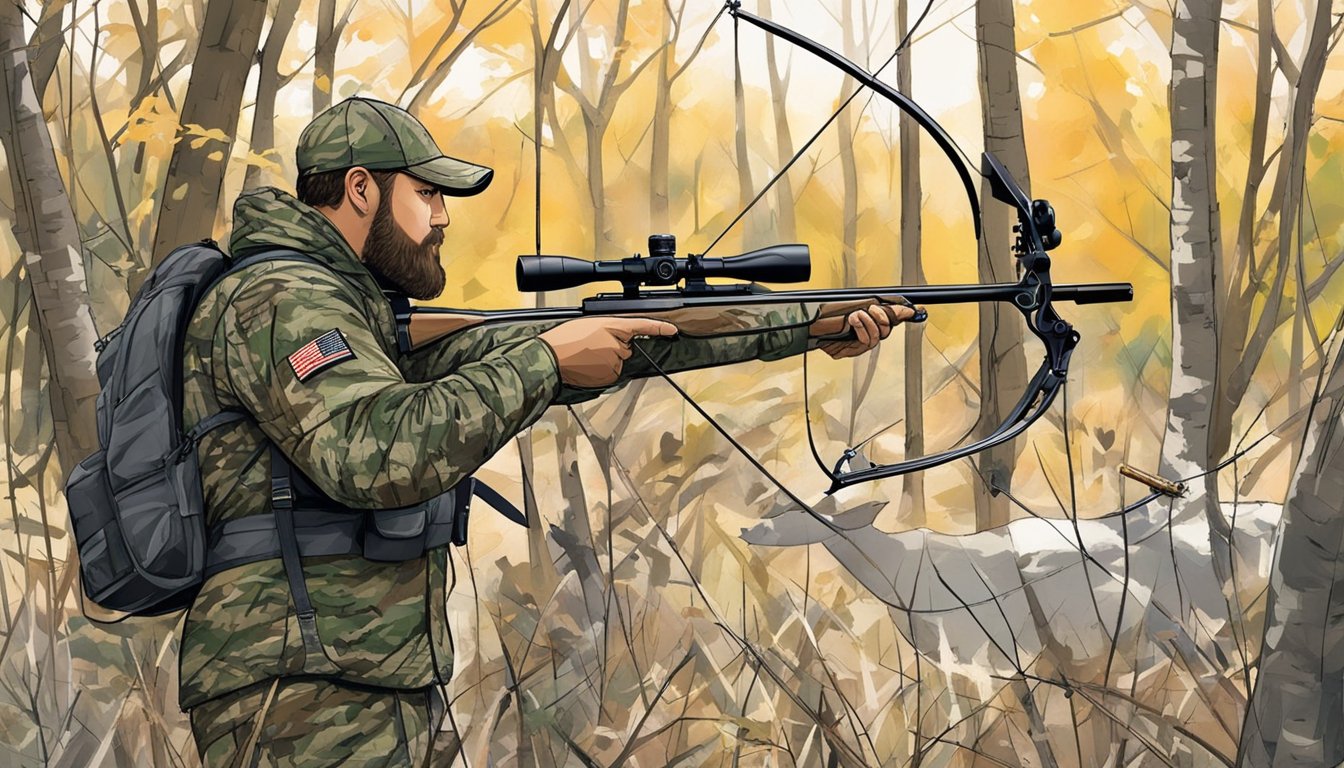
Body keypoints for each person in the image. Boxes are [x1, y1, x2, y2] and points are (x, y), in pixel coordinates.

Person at [178, 96, 914, 766]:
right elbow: (373, 453)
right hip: (295, 687)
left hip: (363, 672)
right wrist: (547, 359)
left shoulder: (354, 310)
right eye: (426, 193)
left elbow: (612, 343)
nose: (442, 217)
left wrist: (803, 326)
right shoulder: (282, 298)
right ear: (361, 188)